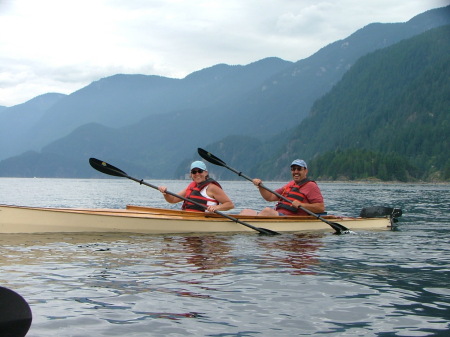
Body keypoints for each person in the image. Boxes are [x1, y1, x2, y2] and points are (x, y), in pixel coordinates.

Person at [240, 159, 325, 216]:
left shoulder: (311, 186)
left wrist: (301, 205)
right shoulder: (290, 185)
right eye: (293, 169)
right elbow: (270, 197)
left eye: (299, 169)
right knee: (246, 212)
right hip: (279, 215)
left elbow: (320, 208)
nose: (295, 172)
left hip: (291, 219)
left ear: (305, 171)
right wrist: (260, 186)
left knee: (267, 211)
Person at [158, 161, 234, 213]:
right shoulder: (191, 187)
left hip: (206, 220)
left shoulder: (212, 188)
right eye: (194, 172)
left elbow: (230, 204)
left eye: (200, 171)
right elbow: (173, 200)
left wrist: (217, 208)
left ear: (205, 173)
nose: (197, 174)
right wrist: (165, 193)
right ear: (191, 174)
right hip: (189, 217)